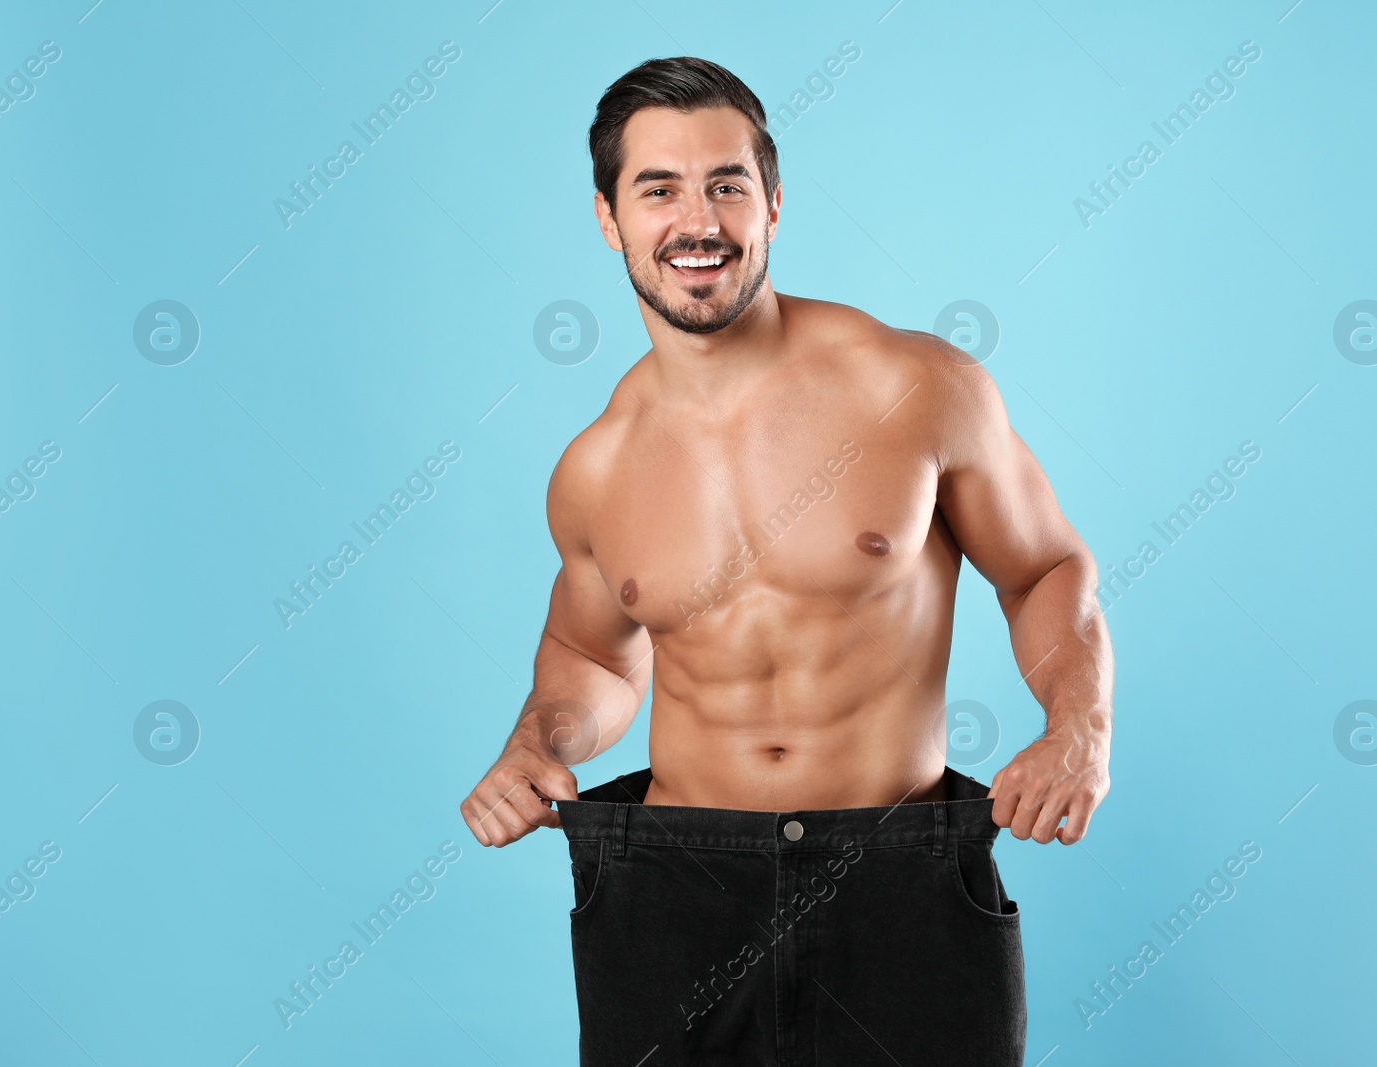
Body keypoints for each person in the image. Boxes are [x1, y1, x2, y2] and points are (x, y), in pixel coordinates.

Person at [460, 56, 1114, 1066]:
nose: (699, 221)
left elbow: (1042, 570)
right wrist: (533, 740)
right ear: (608, 219)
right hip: (674, 889)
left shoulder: (913, 386)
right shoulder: (598, 466)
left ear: (773, 203)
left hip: (896, 876)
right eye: (659, 189)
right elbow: (590, 659)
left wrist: (1079, 726)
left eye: (727, 184)